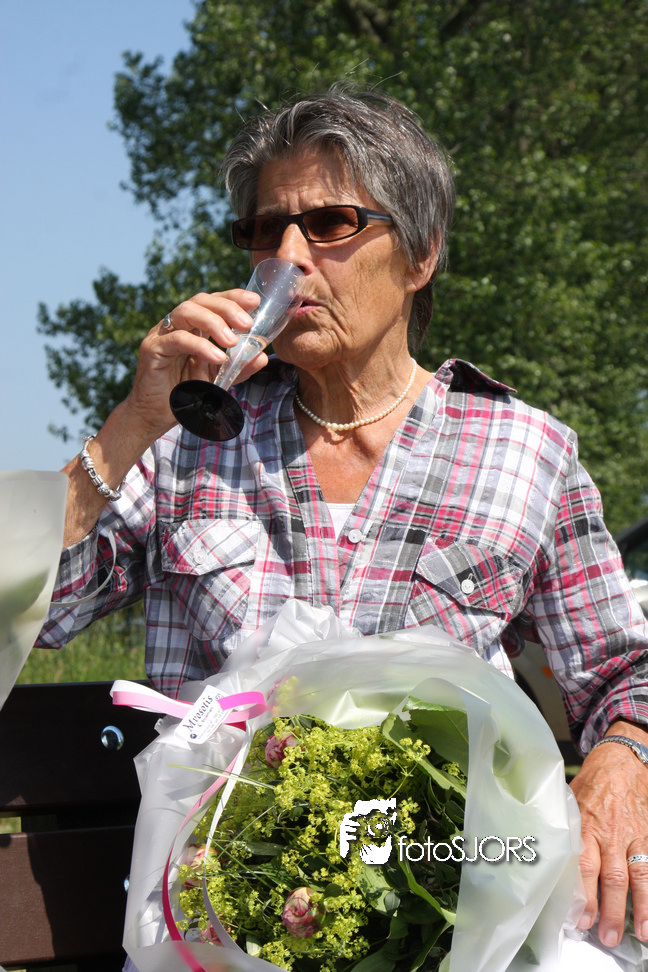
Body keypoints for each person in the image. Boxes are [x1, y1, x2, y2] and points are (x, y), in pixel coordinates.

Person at [37, 86, 648, 964]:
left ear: (420, 254)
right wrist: (128, 426)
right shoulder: (181, 446)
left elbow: (627, 672)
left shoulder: (524, 451)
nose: (287, 257)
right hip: (222, 927)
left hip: (448, 914)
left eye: (330, 223)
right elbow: (35, 614)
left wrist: (623, 759)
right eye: (265, 230)